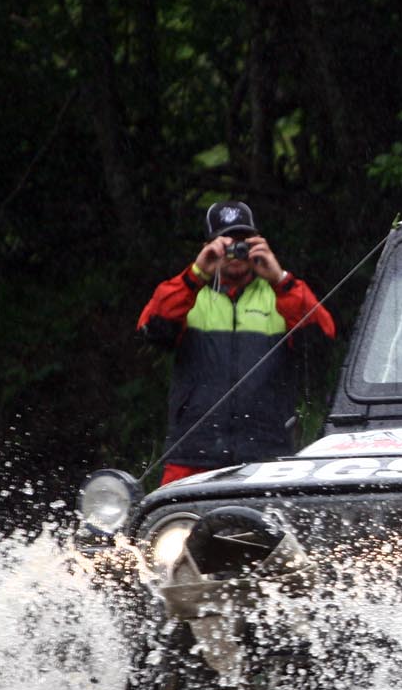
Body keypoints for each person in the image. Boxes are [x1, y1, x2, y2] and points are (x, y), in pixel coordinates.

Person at [138, 202, 337, 485]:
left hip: (267, 454)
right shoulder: (189, 293)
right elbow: (152, 327)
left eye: (243, 242)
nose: (236, 251)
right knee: (175, 527)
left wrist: (280, 279)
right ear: (209, 245)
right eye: (226, 242)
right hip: (193, 454)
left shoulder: (279, 294)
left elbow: (323, 338)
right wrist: (197, 273)